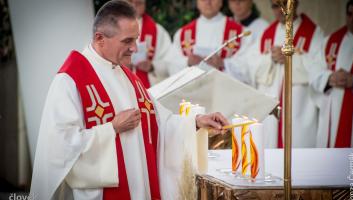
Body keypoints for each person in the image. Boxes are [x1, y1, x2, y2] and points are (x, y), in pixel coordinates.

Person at [29, 1, 229, 199]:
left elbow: (161, 122)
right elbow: (59, 147)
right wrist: (111, 129)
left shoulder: (127, 75)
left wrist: (195, 121)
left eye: (136, 39)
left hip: (142, 187)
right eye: (127, 41)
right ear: (100, 38)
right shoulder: (71, 79)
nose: (135, 48)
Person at [251, 0, 324, 148]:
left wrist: (291, 59)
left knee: (297, 153)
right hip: (272, 100)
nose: (280, 9)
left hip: (299, 103)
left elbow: (320, 67)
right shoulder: (267, 34)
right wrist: (270, 58)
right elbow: (251, 66)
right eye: (275, 6)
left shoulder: (313, 33)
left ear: (295, 3)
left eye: (284, 3)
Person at [310, 0, 353, 148]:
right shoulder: (330, 41)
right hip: (331, 109)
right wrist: (329, 77)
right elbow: (313, 70)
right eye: (350, 14)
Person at [167, 0, 254, 84]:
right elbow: (171, 64)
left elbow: (249, 66)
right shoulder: (182, 34)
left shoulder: (240, 32)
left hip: (225, 91)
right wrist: (188, 61)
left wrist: (223, 63)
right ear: (197, 3)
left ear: (221, 2)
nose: (208, 2)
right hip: (194, 93)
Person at [128, 0, 172, 88]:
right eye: (130, 1)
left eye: (138, 2)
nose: (134, 4)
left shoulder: (158, 31)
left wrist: (152, 66)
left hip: (152, 89)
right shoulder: (112, 29)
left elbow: (171, 62)